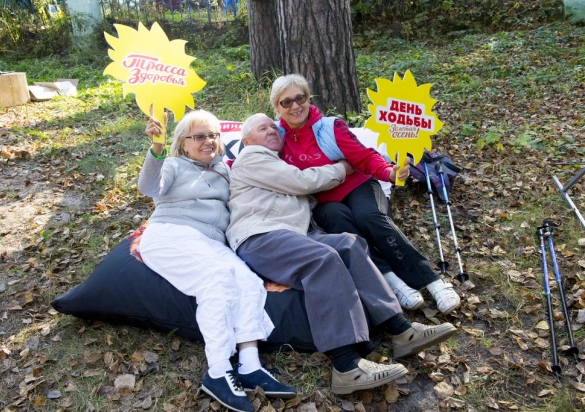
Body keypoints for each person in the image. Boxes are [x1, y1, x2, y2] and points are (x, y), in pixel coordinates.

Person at [226, 113, 457, 395]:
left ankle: (401, 329)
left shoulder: (276, 161)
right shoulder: (251, 158)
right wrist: (342, 169)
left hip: (293, 234)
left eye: (274, 127)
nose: (273, 131)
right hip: (260, 236)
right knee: (323, 259)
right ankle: (346, 365)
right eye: (264, 128)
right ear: (247, 139)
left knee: (349, 244)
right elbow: (301, 181)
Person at [138, 110, 296, 412]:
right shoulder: (173, 165)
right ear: (184, 143)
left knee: (249, 283)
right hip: (172, 235)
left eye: (213, 135)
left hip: (212, 244)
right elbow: (148, 187)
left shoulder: (226, 169)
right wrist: (156, 148)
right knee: (217, 280)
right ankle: (218, 370)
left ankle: (249, 366)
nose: (208, 141)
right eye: (199, 136)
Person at [270, 74, 461, 314]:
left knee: (369, 217)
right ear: (276, 107)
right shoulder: (276, 138)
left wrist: (390, 173)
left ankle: (432, 281)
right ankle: (391, 280)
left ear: (309, 98)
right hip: (323, 200)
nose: (295, 106)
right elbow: (257, 159)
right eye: (286, 102)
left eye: (300, 98)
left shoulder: (330, 127)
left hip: (357, 184)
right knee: (343, 228)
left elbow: (365, 157)